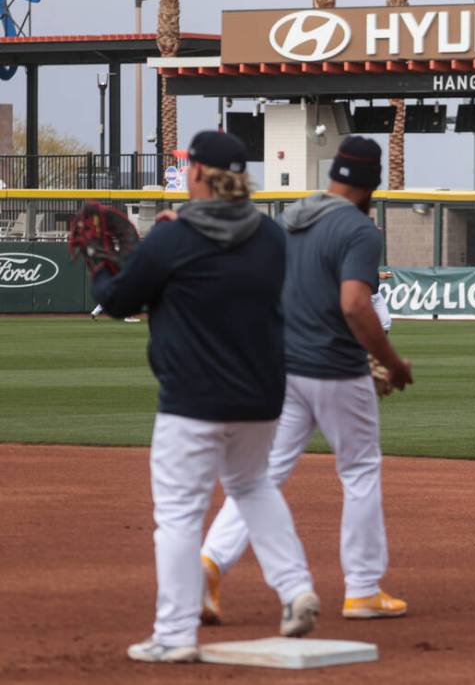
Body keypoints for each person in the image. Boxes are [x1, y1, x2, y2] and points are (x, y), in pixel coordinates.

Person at [92, 131, 319, 664]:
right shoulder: (270, 236)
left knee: (177, 515)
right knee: (252, 486)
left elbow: (119, 299)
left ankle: (173, 633)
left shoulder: (172, 239)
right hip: (262, 396)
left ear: (195, 173)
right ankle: (295, 588)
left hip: (193, 399)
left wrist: (104, 264)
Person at [200, 136, 413, 627]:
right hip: (336, 368)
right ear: (371, 182)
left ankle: (209, 564)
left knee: (264, 475)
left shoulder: (292, 218)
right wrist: (391, 360)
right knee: (359, 472)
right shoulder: (359, 230)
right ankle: (361, 589)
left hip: (284, 366)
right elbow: (356, 304)